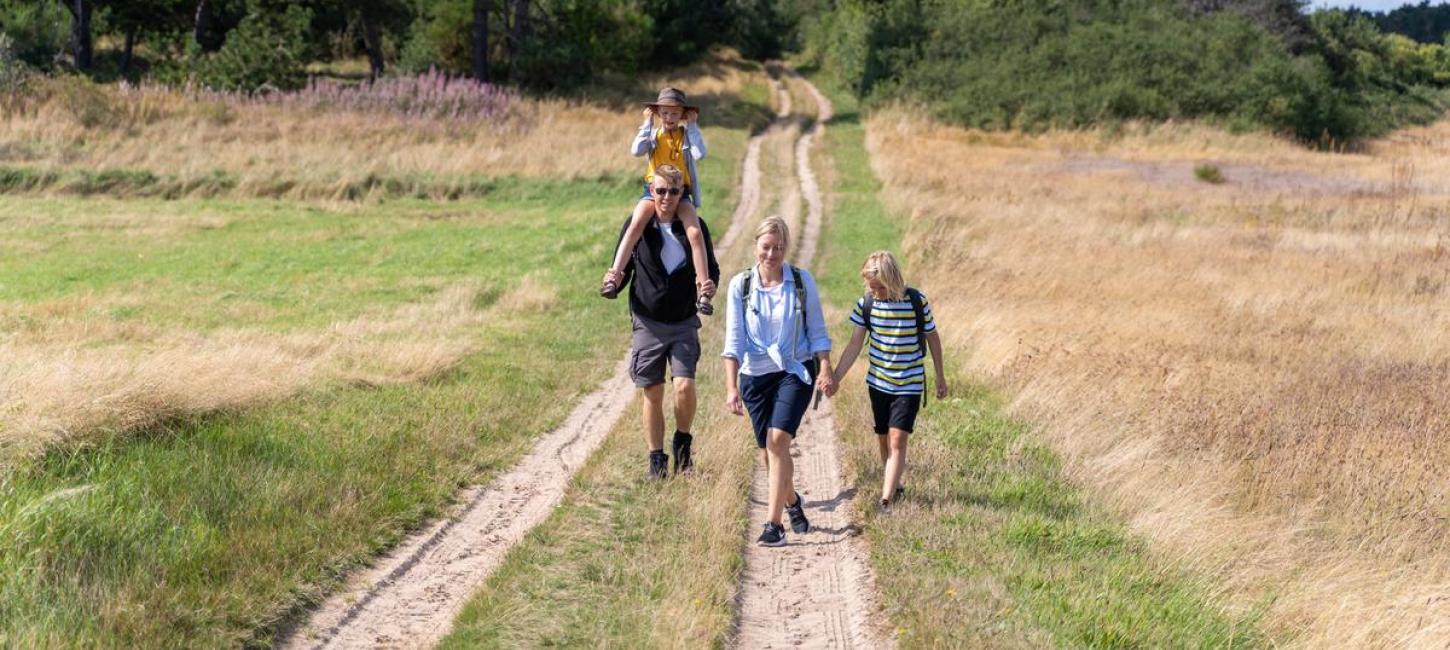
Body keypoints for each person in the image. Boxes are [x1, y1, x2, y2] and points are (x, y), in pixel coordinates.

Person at [722, 217, 834, 547]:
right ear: (756, 246)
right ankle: (792, 502)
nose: (771, 254)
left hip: (794, 371)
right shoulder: (740, 286)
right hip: (754, 376)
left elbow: (817, 330)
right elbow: (733, 341)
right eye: (766, 247)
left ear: (786, 249)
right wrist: (731, 388)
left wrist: (824, 368)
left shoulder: (801, 281)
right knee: (768, 454)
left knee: (778, 441)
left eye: (778, 248)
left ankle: (774, 526)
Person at [606, 164, 720, 480]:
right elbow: (624, 263)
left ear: (682, 192)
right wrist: (614, 282)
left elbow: (711, 269)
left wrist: (709, 288)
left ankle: (682, 442)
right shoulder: (638, 224)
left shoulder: (695, 226)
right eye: (660, 191)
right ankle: (657, 459)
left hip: (683, 320)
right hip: (648, 320)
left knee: (684, 386)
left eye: (673, 191)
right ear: (651, 191)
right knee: (653, 391)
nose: (666, 198)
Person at [831, 251, 948, 510]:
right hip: (878, 383)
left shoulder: (917, 301)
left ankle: (885, 499)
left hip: (909, 383)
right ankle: (895, 486)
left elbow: (933, 338)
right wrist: (836, 377)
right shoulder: (867, 304)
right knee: (883, 438)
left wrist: (940, 375)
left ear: (893, 279)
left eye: (880, 287)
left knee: (897, 440)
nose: (875, 292)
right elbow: (854, 344)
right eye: (871, 287)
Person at [602, 87, 714, 316]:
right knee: (635, 225)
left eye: (674, 114)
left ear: (682, 114)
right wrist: (646, 124)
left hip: (679, 191)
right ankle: (613, 277)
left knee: (694, 233)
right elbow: (636, 151)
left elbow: (700, 154)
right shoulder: (653, 135)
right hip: (654, 189)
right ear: (658, 114)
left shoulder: (685, 135)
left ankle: (703, 290)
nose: (669, 118)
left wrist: (692, 126)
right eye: (664, 113)